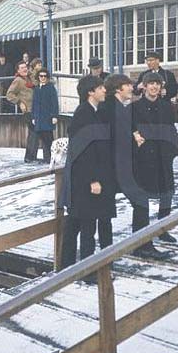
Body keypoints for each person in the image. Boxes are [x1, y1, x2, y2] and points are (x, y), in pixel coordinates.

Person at [60, 75, 116, 276]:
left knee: (77, 222)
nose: (104, 91)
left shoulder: (94, 112)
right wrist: (93, 179)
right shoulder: (84, 114)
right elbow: (82, 151)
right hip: (84, 180)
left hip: (86, 178)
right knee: (86, 225)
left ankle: (67, 266)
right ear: (90, 92)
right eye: (100, 88)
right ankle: (85, 270)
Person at [131, 72, 178, 257]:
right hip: (144, 158)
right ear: (144, 86)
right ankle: (140, 241)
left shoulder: (167, 107)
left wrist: (171, 150)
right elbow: (131, 129)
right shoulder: (135, 107)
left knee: (167, 192)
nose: (154, 87)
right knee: (142, 199)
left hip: (163, 155)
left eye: (157, 84)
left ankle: (162, 228)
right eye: (150, 84)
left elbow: (171, 128)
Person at [6, 61, 39, 162]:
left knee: (36, 133)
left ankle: (33, 156)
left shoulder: (30, 78)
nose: (25, 69)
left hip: (36, 109)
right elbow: (9, 94)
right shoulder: (18, 80)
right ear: (18, 70)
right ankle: (29, 157)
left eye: (25, 67)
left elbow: (37, 83)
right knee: (33, 132)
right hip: (28, 110)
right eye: (22, 68)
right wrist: (19, 102)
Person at [32, 68, 59, 164]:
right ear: (38, 77)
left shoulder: (50, 88)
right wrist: (33, 117)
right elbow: (34, 104)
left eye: (45, 76)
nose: (43, 78)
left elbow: (54, 103)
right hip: (39, 117)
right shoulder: (36, 88)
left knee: (49, 139)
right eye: (41, 76)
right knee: (42, 137)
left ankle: (52, 158)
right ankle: (48, 158)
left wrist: (55, 116)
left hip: (47, 116)